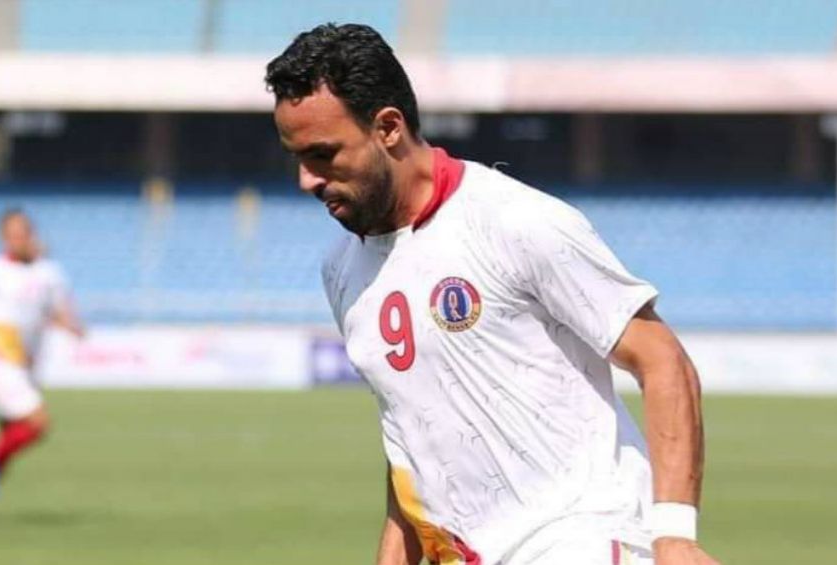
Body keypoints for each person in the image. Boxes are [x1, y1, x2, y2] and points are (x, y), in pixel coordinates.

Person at [267, 24, 720, 565]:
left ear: (388, 127)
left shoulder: (514, 221)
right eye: (297, 158)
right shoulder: (342, 270)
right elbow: (413, 449)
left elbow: (663, 359)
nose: (307, 180)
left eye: (322, 154)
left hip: (578, 541)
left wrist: (674, 534)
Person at [0, 208, 84, 523]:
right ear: (4, 237)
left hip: (27, 365)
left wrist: (71, 325)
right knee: (37, 422)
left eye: (25, 232)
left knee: (12, 434)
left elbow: (52, 310)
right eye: (14, 234)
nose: (21, 238)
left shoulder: (48, 272)